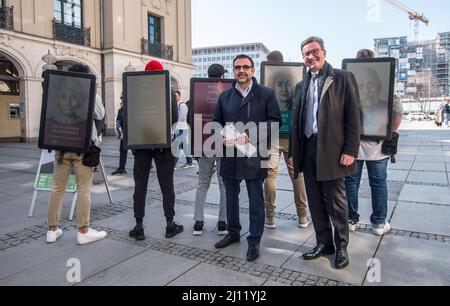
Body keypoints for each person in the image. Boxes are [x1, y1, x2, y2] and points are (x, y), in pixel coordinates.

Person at [289, 37, 361, 269]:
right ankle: (324, 243)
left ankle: (341, 246)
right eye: (306, 54)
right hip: (308, 148)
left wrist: (350, 149)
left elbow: (354, 117)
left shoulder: (342, 78)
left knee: (336, 201)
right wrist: (293, 151)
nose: (310, 56)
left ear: (324, 52)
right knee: (314, 200)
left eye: (314, 51)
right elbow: (296, 122)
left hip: (332, 149)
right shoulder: (302, 84)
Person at [213, 54, 281, 262]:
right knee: (231, 197)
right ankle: (233, 233)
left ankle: (254, 240)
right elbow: (216, 122)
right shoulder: (224, 96)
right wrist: (220, 137)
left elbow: (275, 122)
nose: (241, 70)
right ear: (233, 71)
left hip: (254, 154)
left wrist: (251, 135)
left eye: (245, 67)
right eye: (237, 67)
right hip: (230, 155)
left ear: (252, 70)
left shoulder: (266, 94)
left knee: (255, 200)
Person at [344, 49, 403, 237]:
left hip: (356, 146)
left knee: (351, 182)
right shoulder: (389, 88)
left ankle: (350, 219)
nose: (367, 88)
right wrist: (390, 133)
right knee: (377, 184)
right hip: (372, 146)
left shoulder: (347, 83)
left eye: (371, 85)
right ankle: (378, 223)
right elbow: (398, 113)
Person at [46, 67, 107, 245]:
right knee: (83, 189)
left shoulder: (59, 88)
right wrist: (93, 92)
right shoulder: (87, 90)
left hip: (61, 145)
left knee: (57, 188)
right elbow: (100, 114)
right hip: (83, 147)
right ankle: (83, 231)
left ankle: (51, 230)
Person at [128, 60, 184, 241]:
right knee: (167, 184)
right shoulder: (166, 92)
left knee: (140, 185)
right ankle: (170, 224)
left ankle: (138, 225)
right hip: (162, 144)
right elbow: (175, 118)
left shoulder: (135, 90)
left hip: (141, 143)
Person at [264, 50, 309, 230]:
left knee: (270, 176)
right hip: (292, 137)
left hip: (271, 136)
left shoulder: (264, 86)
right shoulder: (298, 88)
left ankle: (270, 218)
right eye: (279, 84)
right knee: (297, 175)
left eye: (286, 84)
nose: (283, 89)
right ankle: (302, 217)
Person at [192, 64, 228, 236]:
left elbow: (192, 122)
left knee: (202, 184)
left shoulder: (197, 90)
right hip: (222, 145)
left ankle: (198, 222)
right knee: (223, 185)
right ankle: (223, 223)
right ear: (221, 76)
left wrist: (195, 149)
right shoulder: (227, 93)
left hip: (203, 144)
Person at [357, 66, 389, 136]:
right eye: (361, 86)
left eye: (371, 85)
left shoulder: (386, 107)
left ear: (379, 86)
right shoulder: (349, 111)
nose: (366, 91)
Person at [173, 91, 194, 169]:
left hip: (181, 129)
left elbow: (182, 118)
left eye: (176, 96)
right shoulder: (176, 105)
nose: (175, 97)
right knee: (184, 147)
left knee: (177, 146)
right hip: (179, 128)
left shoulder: (182, 105)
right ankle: (190, 162)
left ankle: (173, 165)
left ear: (179, 96)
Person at [112, 95, 128, 175]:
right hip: (123, 134)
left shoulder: (132, 108)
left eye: (123, 98)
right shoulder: (120, 110)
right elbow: (118, 122)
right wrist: (121, 132)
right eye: (122, 98)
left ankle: (147, 166)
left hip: (132, 134)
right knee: (122, 150)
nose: (122, 99)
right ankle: (121, 168)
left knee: (137, 151)